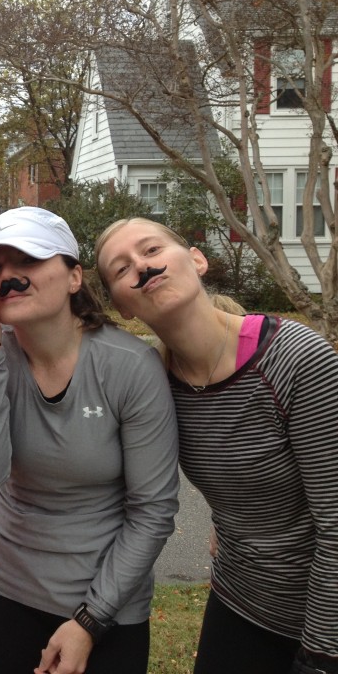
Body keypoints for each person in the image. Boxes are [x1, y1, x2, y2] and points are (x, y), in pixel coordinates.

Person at [95, 217, 338, 674]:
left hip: (322, 613)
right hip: (239, 602)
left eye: (151, 251)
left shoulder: (295, 359)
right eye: (122, 269)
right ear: (121, 307)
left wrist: (321, 652)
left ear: (197, 260)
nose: (142, 269)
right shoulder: (155, 384)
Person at [0, 207, 179, 674]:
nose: (8, 277)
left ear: (74, 277)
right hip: (7, 587)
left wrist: (90, 619)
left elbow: (153, 510)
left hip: (106, 599)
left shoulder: (129, 367)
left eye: (28, 260)